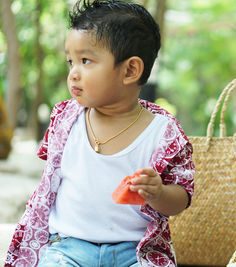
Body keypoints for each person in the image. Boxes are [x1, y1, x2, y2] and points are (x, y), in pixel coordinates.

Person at [5, 0, 195, 266]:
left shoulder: (163, 134)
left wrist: (159, 193)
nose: (73, 73)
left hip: (133, 250)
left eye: (85, 61)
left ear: (130, 70)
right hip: (68, 247)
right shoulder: (66, 120)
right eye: (70, 61)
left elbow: (183, 197)